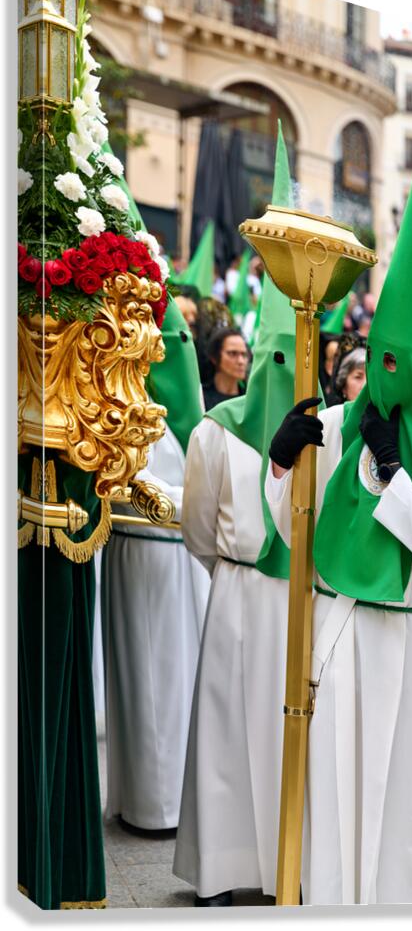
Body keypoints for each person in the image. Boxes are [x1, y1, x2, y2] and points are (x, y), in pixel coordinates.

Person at [266, 79, 412, 904]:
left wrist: (395, 473)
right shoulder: (340, 419)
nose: (382, 379)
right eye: (374, 361)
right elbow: (297, 533)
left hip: (409, 645)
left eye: (399, 365)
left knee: (402, 817)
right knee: (334, 798)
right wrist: (286, 462)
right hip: (337, 632)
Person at [173, 127, 297, 906]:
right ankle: (220, 870)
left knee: (278, 736)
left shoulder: (312, 439)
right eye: (266, 357)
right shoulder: (213, 430)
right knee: (224, 730)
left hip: (292, 602)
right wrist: (231, 569)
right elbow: (194, 523)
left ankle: (272, 863)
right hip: (236, 590)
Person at [102, 298, 210, 831]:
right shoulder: (124, 405)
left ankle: (164, 801)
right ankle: (147, 802)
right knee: (146, 677)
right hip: (138, 546)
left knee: (171, 678)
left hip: (174, 553)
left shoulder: (179, 413)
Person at [202, 326, 248, 410]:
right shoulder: (200, 398)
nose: (241, 361)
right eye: (232, 354)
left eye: (244, 355)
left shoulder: (250, 400)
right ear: (214, 358)